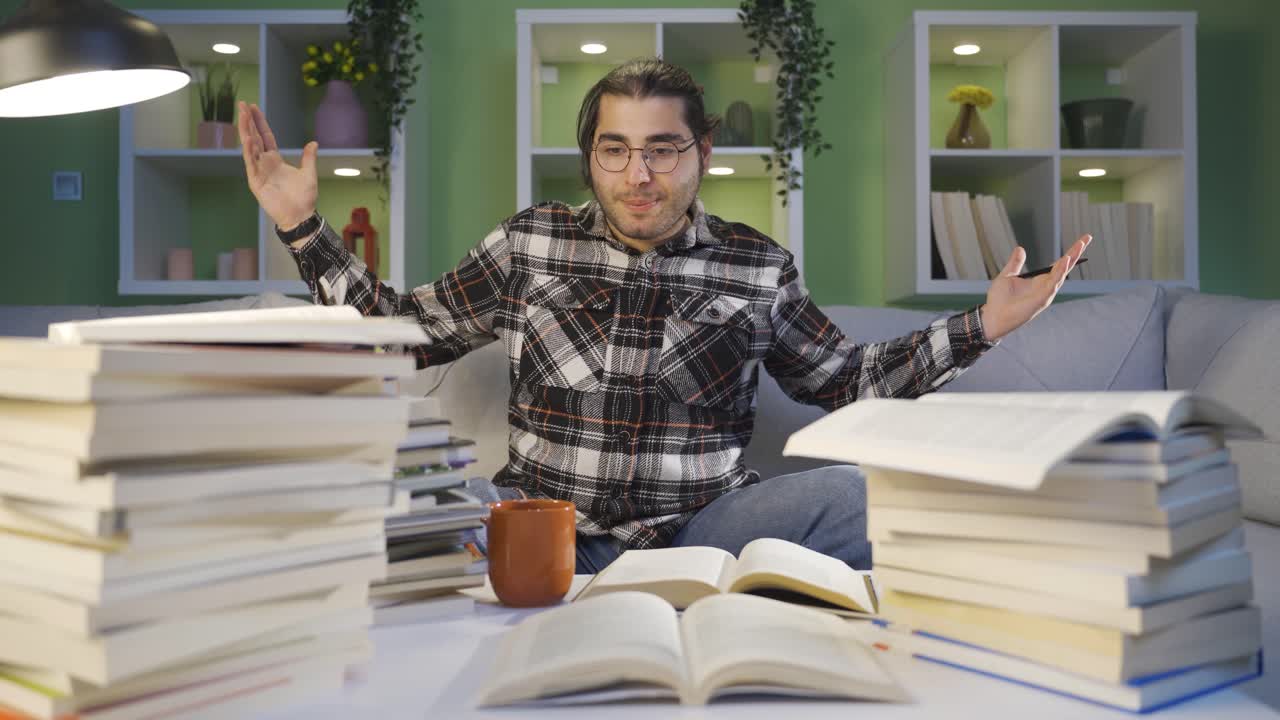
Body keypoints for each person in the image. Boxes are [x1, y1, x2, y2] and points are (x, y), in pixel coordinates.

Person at [237, 58, 1088, 573]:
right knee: (386, 495)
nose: (638, 175)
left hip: (702, 532)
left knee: (864, 498)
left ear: (702, 153)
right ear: (592, 158)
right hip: (539, 526)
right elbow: (404, 338)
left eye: (662, 149)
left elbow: (844, 381)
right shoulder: (531, 243)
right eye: (615, 150)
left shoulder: (757, 264)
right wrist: (301, 226)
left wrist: (984, 326)